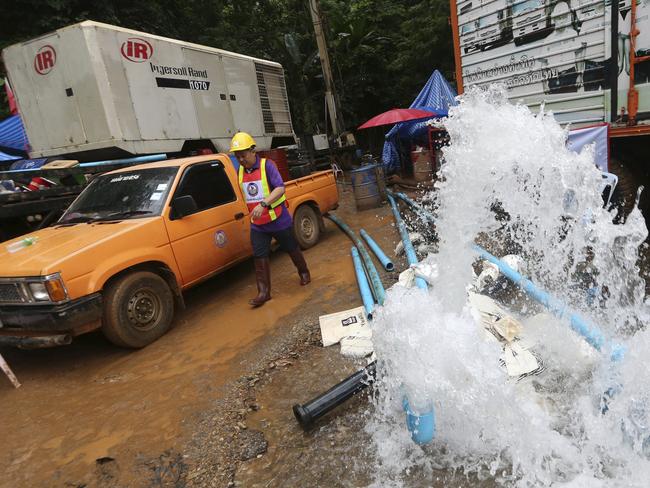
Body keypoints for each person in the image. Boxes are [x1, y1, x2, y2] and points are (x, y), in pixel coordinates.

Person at [230, 132, 311, 307]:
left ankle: (304, 272)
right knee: (259, 256)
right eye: (237, 157)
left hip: (277, 219)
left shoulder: (268, 166)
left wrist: (264, 204)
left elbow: (280, 188)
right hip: (258, 225)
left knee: (291, 248)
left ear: (253, 151)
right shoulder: (240, 171)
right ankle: (264, 292)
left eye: (243, 155)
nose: (241, 159)